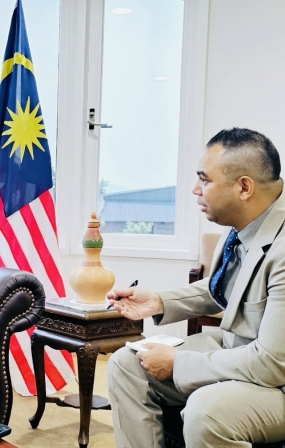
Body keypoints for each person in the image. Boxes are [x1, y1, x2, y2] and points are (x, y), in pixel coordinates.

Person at [106, 128, 285, 447]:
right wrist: (158, 301)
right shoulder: (244, 226)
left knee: (207, 413)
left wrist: (178, 363)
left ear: (244, 187)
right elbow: (228, 289)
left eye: (204, 179)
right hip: (241, 350)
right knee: (126, 363)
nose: (194, 189)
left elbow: (271, 364)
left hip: (277, 377)